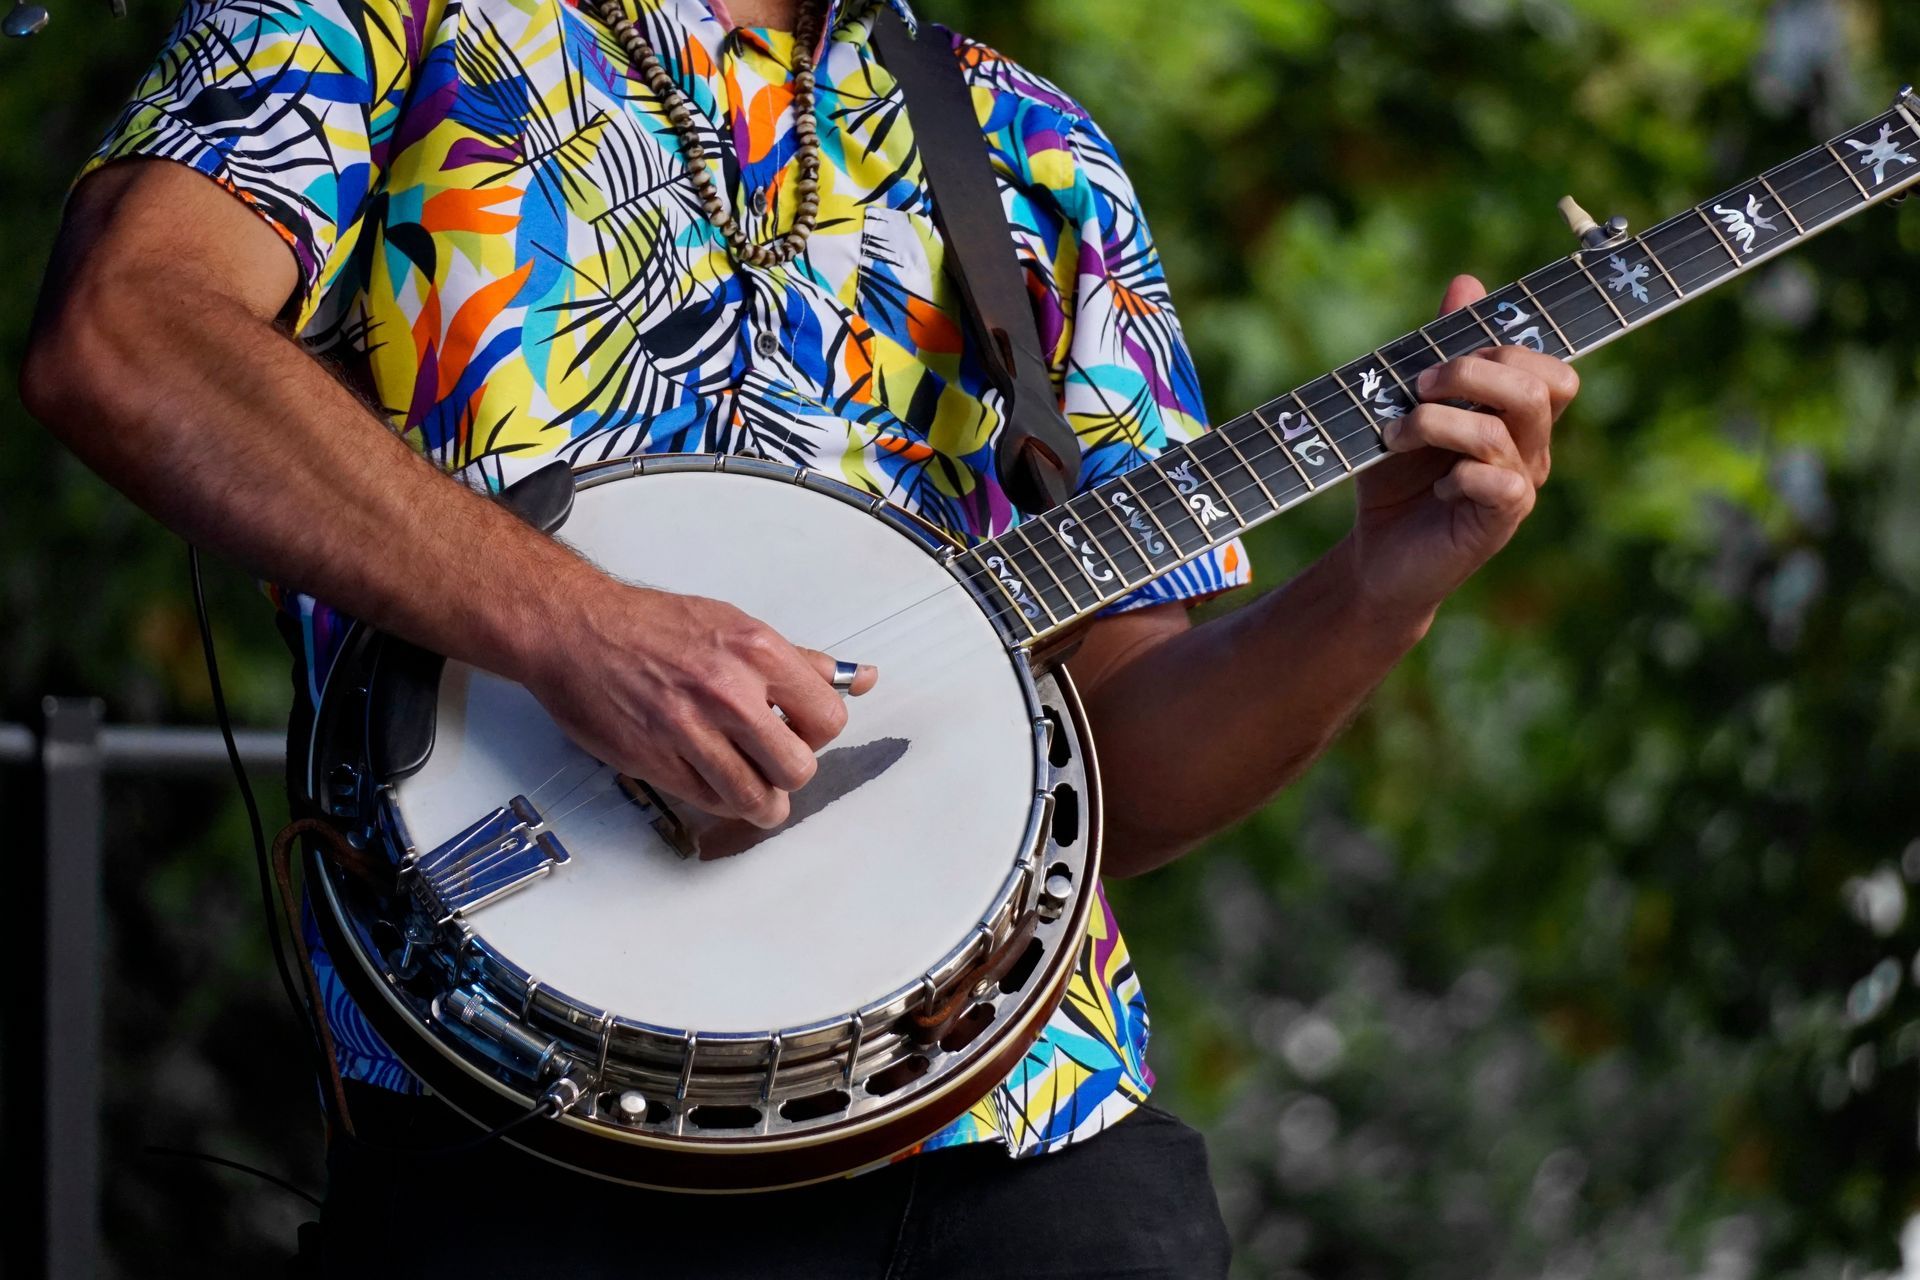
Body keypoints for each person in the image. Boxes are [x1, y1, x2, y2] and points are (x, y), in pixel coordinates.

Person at [21, 0, 1579, 1272]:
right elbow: (126, 333)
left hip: (1019, 1158)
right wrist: (577, 629)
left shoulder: (1029, 149)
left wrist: (1382, 586)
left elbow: (1126, 781)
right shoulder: (370, 25)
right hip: (524, 1142)